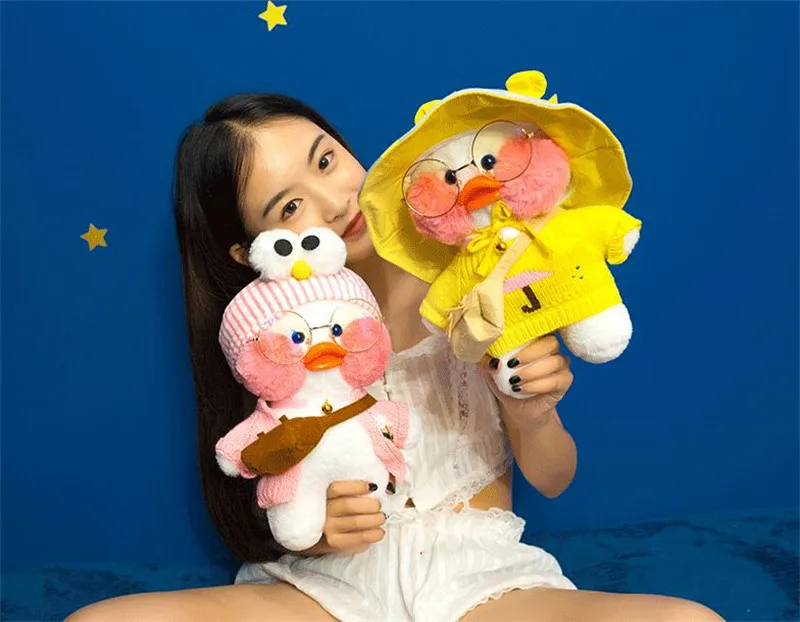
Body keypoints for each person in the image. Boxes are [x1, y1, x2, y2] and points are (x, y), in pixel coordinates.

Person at [67, 93, 724, 622]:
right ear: (250, 251)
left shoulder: (471, 278)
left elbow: (553, 479)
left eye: (326, 161)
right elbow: (269, 491)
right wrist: (318, 531)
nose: (335, 202)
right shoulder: (268, 340)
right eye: (289, 206)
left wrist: (534, 413)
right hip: (326, 592)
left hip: (481, 583)